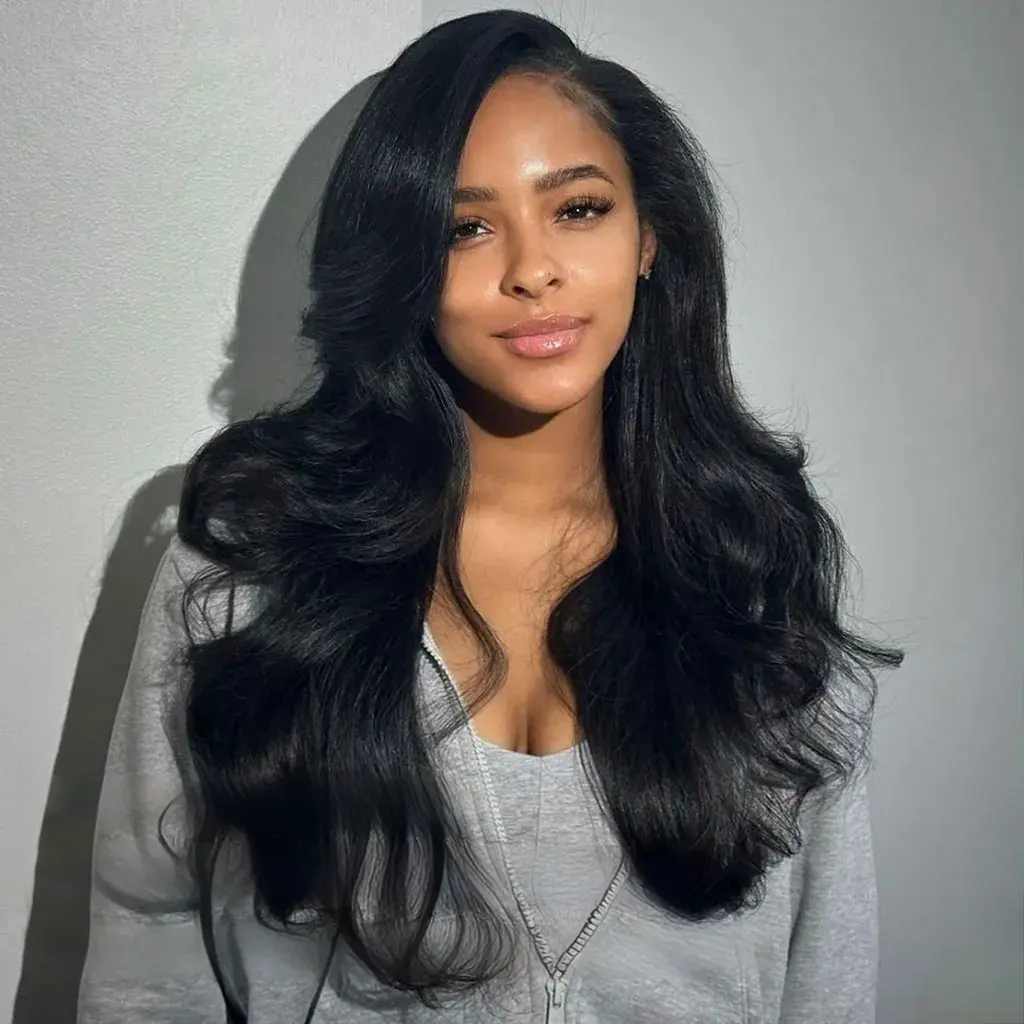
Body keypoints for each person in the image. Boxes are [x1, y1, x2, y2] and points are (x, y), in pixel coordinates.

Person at [77, 8, 904, 1023]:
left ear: (648, 236)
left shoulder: (750, 568)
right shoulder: (255, 563)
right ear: (403, 267)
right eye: (464, 228)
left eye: (579, 209)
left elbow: (826, 964)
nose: (531, 270)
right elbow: (148, 935)